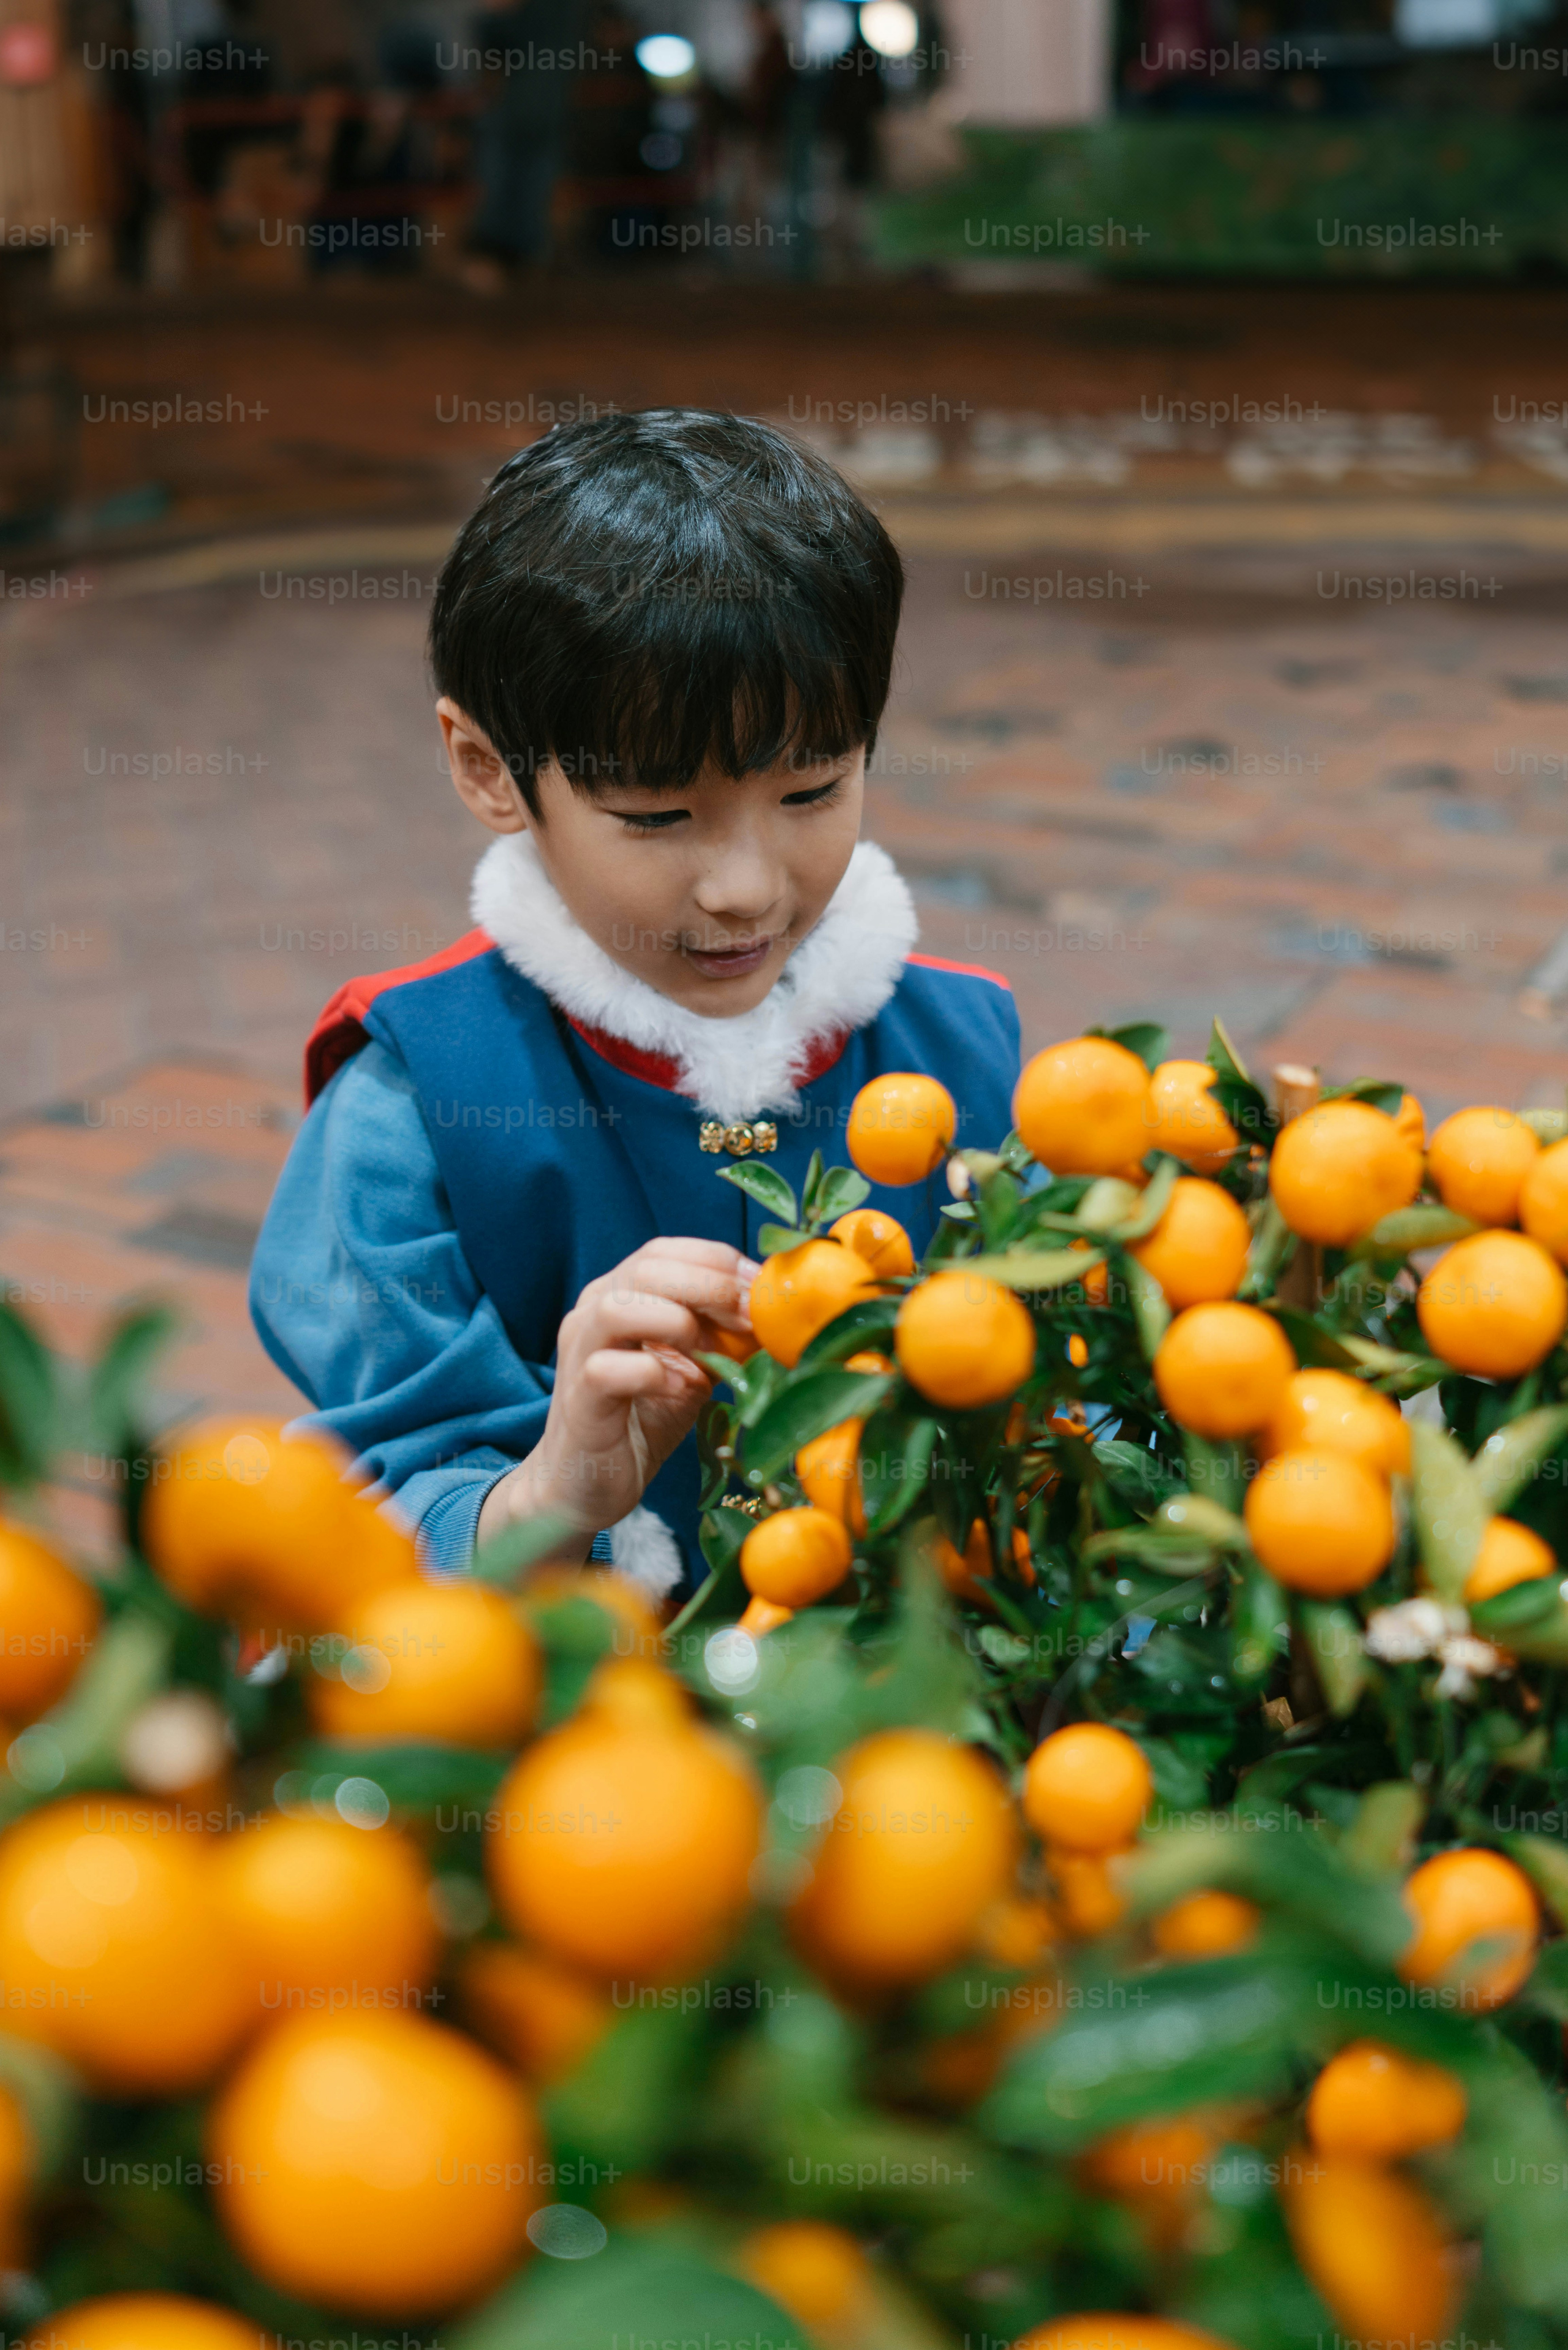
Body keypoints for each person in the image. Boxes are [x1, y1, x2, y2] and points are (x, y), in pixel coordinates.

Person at [249, 409, 1019, 1602]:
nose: (746, 885)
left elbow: (1074, 1424)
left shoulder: (969, 1058)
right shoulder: (415, 1103)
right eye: (659, 816)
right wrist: (555, 1486)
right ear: (488, 768)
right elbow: (353, 1538)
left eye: (812, 788)